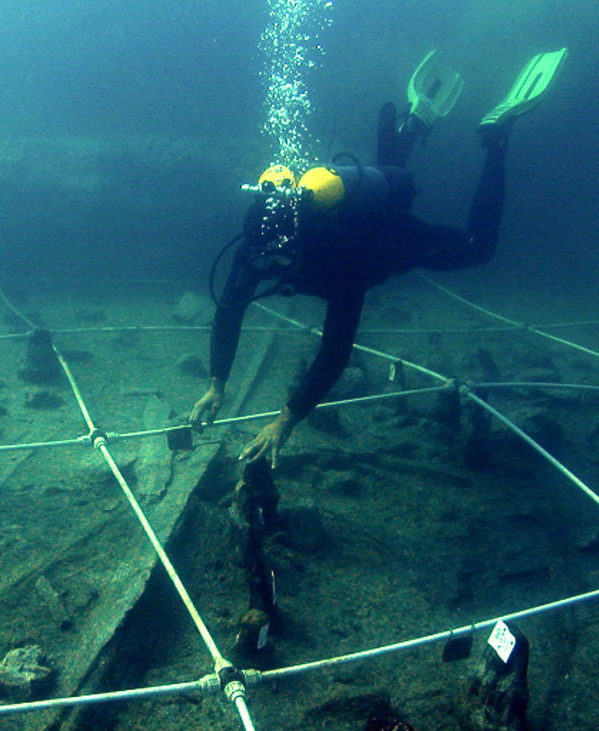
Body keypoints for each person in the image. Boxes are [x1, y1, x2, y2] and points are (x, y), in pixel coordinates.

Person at [190, 49, 568, 467]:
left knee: (479, 247)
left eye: (276, 258)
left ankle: (497, 137)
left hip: (387, 243)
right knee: (388, 178)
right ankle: (413, 124)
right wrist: (216, 384)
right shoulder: (256, 244)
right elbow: (229, 312)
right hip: (362, 218)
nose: (266, 267)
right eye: (262, 257)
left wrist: (286, 421)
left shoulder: (337, 257)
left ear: (297, 243)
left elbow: (336, 350)